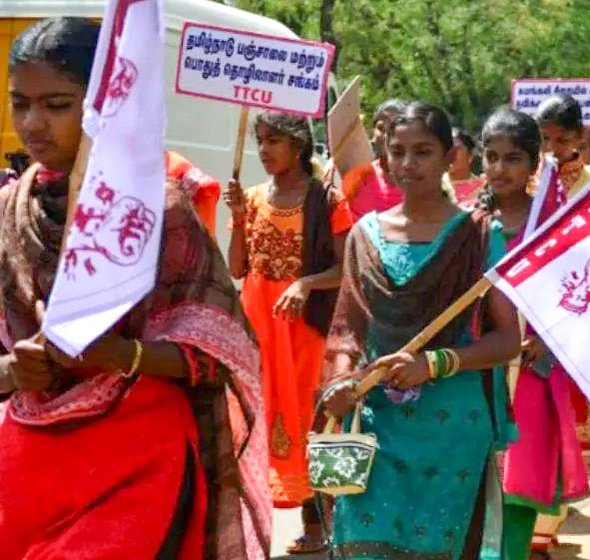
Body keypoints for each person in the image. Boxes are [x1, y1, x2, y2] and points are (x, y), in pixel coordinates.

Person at [0, 17, 271, 558]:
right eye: (19, 103)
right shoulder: (9, 210)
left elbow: (223, 350)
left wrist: (123, 354)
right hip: (30, 461)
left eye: (56, 105)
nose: (32, 123)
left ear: (102, 104)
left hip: (139, 455)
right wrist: (12, 370)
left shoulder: (156, 209)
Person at [320, 102, 521, 560]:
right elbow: (347, 332)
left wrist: (433, 363)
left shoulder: (478, 235)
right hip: (374, 426)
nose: (408, 164)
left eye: (423, 151)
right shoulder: (365, 236)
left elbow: (508, 339)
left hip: (449, 430)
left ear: (450, 157)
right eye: (397, 151)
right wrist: (339, 383)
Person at [224, 112, 352, 554]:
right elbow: (236, 269)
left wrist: (304, 283)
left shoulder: (328, 200)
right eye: (260, 140)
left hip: (303, 328)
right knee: (250, 416)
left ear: (298, 145)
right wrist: (239, 218)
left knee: (305, 418)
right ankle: (250, 523)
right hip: (258, 324)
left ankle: (316, 526)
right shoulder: (255, 198)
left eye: (273, 140)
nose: (263, 149)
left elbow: (346, 268)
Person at [472, 108, 590, 560]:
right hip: (479, 369)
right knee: (474, 484)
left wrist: (546, 336)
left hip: (533, 370)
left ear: (533, 163)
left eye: (513, 159)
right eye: (491, 157)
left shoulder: (555, 221)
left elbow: (582, 291)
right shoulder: (468, 220)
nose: (500, 169)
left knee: (519, 484)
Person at [532, 93, 590, 551]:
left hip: (577, 318)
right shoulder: (525, 179)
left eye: (563, 140)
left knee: (564, 417)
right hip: (524, 318)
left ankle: (545, 527)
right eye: (545, 140)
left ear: (581, 137)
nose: (554, 150)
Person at [339, 99, 408, 219]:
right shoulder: (358, 177)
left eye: (394, 128)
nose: (386, 135)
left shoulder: (420, 179)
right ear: (372, 131)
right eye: (381, 128)